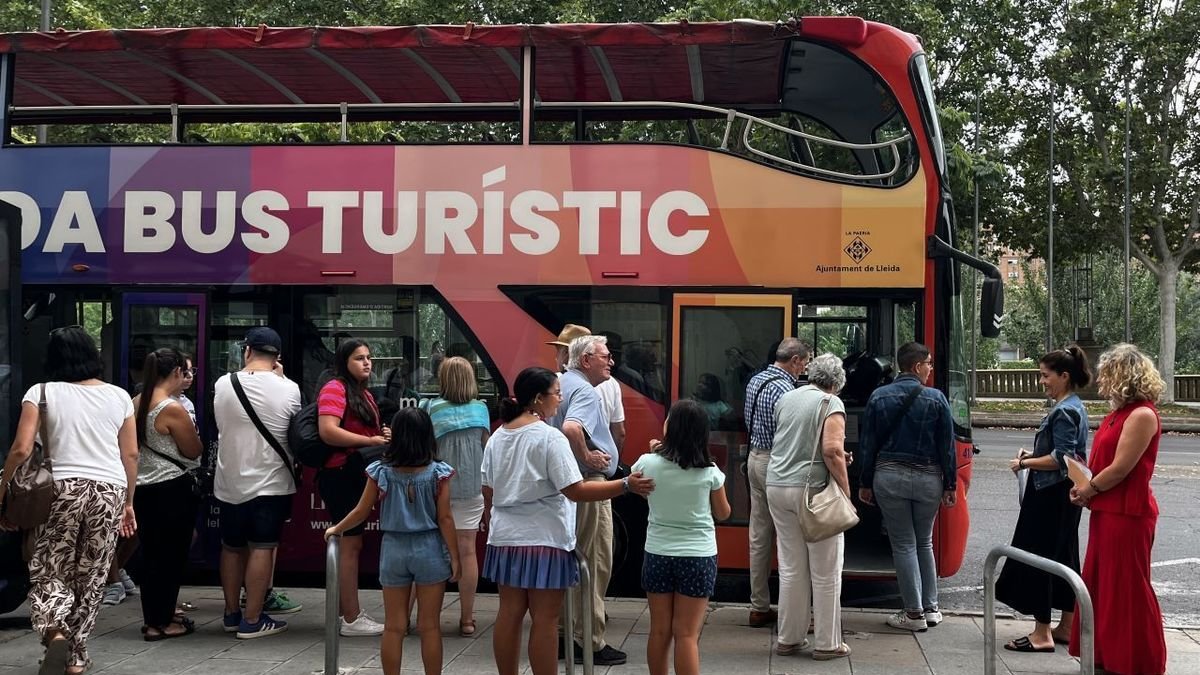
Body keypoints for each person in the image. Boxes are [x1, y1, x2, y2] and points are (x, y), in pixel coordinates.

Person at [482, 367, 653, 675]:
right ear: (538, 398)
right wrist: (625, 485)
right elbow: (575, 490)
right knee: (545, 620)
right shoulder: (550, 438)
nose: (560, 400)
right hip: (545, 539)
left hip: (505, 538)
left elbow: (488, 490)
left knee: (508, 614)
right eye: (557, 393)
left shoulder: (498, 436)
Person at [0, 326, 138, 675]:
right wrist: (128, 503)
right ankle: (76, 657)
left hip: (59, 490)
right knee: (91, 574)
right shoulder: (120, 396)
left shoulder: (41, 392)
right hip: (108, 490)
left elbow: (21, 449)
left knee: (49, 567)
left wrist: (3, 487)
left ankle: (55, 630)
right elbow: (131, 454)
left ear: (52, 357)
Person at [324, 408, 460, 675]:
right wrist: (455, 557)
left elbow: (361, 510)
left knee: (394, 626)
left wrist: (337, 529)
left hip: (393, 549)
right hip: (430, 549)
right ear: (427, 436)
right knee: (430, 626)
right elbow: (445, 518)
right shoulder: (438, 473)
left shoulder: (381, 471)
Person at [1068, 344, 1167, 675]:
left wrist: (1090, 488)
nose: (1100, 381)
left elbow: (1122, 468)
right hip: (1108, 510)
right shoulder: (1118, 415)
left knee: (1128, 588)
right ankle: (1108, 654)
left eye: (1106, 374)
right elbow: (1105, 464)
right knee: (1104, 586)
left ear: (1122, 375)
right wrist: (1085, 486)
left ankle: (1138, 660)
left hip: (1128, 514)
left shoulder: (1142, 415)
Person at [995, 346, 1091, 652]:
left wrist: (1025, 462)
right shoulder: (1075, 406)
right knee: (1065, 556)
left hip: (1049, 495)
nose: (1042, 381)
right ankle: (1066, 626)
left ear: (1064, 376)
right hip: (1065, 495)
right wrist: (1035, 454)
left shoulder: (1063, 410)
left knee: (1040, 558)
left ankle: (1041, 633)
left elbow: (1061, 458)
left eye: (1045, 375)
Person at [857, 342, 957, 632]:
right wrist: (950, 484)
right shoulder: (936, 398)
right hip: (929, 479)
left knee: (903, 543)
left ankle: (913, 613)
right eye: (929, 364)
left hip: (889, 477)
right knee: (924, 542)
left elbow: (868, 444)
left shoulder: (879, 396)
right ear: (916, 366)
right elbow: (947, 447)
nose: (930, 369)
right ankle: (931, 608)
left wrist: (865, 481)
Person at [213, 327, 301, 639]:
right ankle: (252, 619)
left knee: (232, 547)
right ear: (277, 357)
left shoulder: (223, 384)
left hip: (230, 481)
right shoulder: (289, 389)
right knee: (263, 546)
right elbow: (292, 428)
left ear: (247, 351)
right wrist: (281, 377)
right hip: (271, 481)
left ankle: (231, 613)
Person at [632, 400, 731, 675]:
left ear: (670, 428)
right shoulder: (710, 472)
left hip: (658, 553)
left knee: (659, 630)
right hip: (698, 556)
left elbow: (642, 490)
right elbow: (723, 513)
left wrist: (656, 453)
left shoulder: (647, 463)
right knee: (686, 634)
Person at [766, 353, 853, 661]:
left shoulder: (787, 399)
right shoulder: (831, 403)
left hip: (777, 485)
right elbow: (832, 451)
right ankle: (828, 644)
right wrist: (845, 491)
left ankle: (789, 639)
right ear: (836, 382)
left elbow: (795, 442)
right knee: (826, 571)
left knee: (791, 568)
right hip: (812, 493)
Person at [547, 334, 626, 665]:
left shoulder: (561, 384)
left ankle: (565, 633)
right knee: (594, 562)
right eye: (605, 356)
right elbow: (572, 428)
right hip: (588, 484)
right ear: (586, 360)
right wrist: (589, 456)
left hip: (567, 484)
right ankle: (588, 640)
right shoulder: (585, 391)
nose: (611, 362)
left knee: (574, 557)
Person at [317, 338, 390, 637]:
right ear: (344, 362)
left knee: (349, 543)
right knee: (350, 544)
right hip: (342, 474)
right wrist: (370, 441)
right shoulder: (335, 388)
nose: (367, 362)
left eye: (368, 357)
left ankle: (341, 613)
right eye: (359, 358)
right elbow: (328, 431)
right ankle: (351, 618)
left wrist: (381, 434)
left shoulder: (362, 392)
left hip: (354, 473)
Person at [131, 347, 204, 641]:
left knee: (151, 555)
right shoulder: (171, 408)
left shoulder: (136, 402)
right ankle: (161, 623)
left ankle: (154, 617)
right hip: (172, 488)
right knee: (171, 557)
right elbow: (193, 449)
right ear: (175, 372)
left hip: (143, 489)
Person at [419, 356, 490, 637]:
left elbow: (425, 450)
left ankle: (425, 617)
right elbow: (487, 449)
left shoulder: (430, 408)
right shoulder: (481, 409)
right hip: (471, 488)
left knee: (432, 550)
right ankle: (467, 619)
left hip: (437, 489)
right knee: (468, 550)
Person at [741, 338, 810, 627]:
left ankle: (759, 606)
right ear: (794, 360)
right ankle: (794, 613)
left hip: (754, 459)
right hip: (777, 464)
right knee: (789, 538)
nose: (804, 368)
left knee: (759, 537)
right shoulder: (786, 390)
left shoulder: (755, 381)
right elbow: (790, 434)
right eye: (804, 362)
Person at [548, 324, 625, 452]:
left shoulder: (555, 382)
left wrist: (587, 457)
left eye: (559, 351)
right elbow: (619, 432)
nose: (556, 357)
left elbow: (570, 428)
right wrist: (599, 460)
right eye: (605, 357)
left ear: (568, 353)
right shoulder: (610, 383)